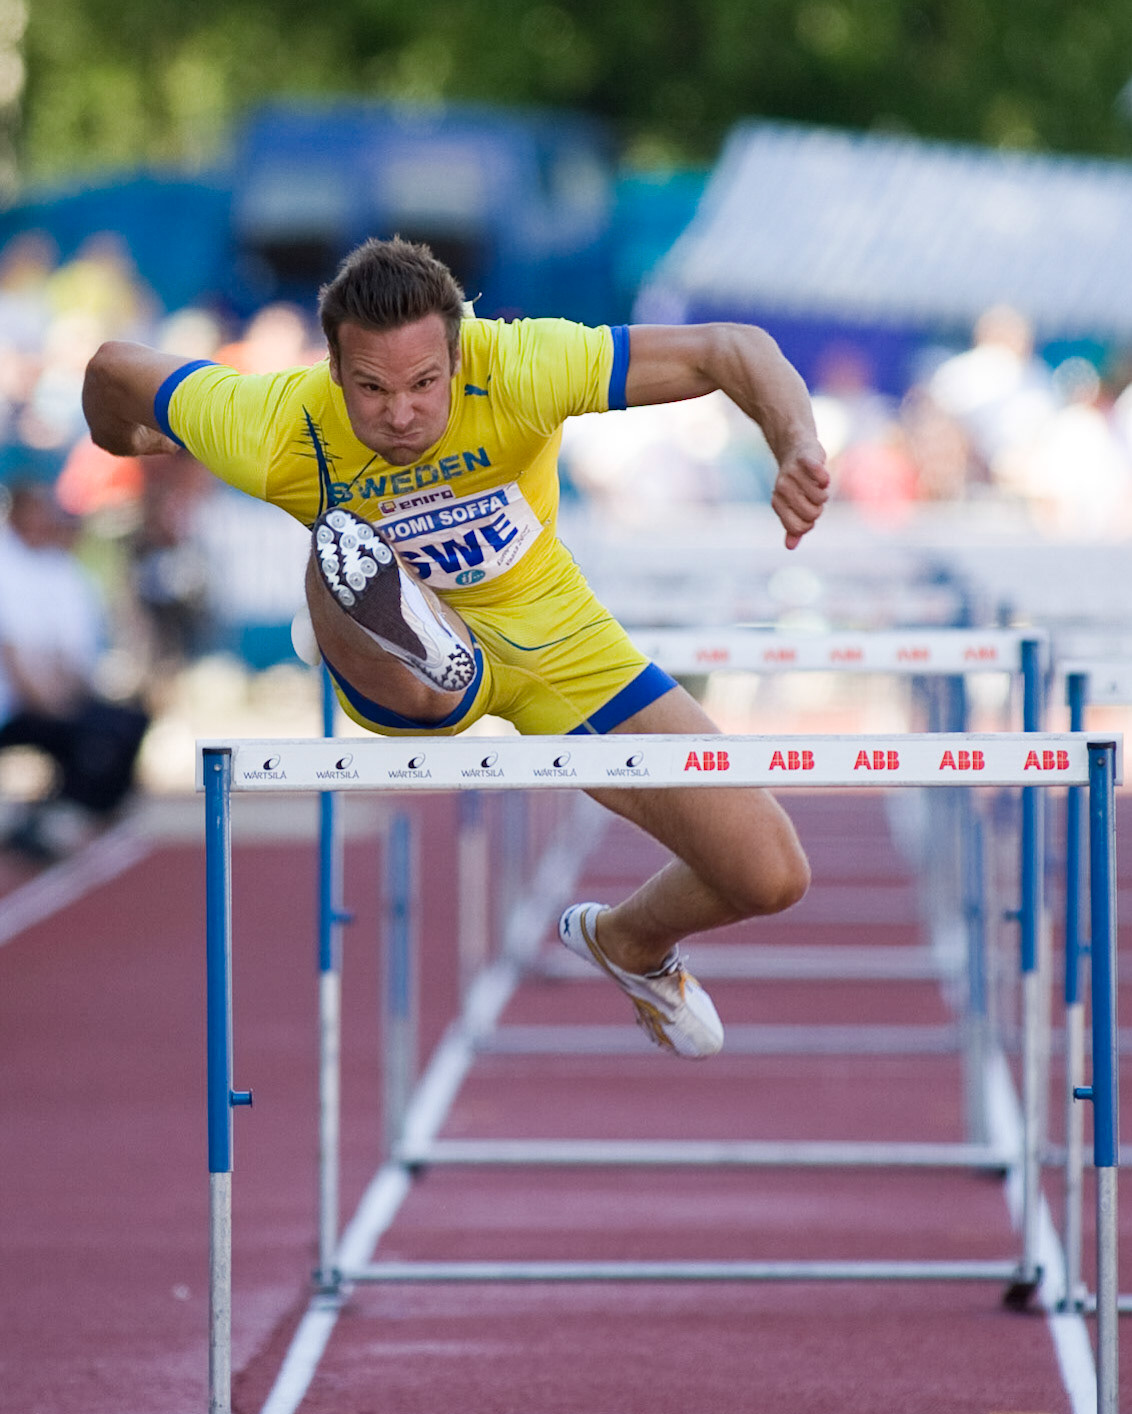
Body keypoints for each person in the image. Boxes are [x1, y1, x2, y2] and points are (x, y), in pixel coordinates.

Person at [82, 238, 830, 1057]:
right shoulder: (269, 421)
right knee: (368, 587)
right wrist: (129, 441)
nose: (399, 415)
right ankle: (409, 620)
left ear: (459, 351)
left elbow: (732, 348)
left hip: (559, 642)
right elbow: (114, 369)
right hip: (396, 668)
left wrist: (795, 442)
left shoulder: (522, 365)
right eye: (370, 388)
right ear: (332, 368)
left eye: (423, 385)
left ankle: (625, 942)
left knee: (768, 872)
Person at [0, 477, 149, 860]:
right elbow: (16, 656)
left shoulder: (52, 569)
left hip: (44, 696)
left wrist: (77, 697)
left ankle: (73, 810)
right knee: (90, 732)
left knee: (126, 721)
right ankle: (56, 820)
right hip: (17, 705)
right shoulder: (12, 568)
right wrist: (56, 706)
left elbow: (64, 654)